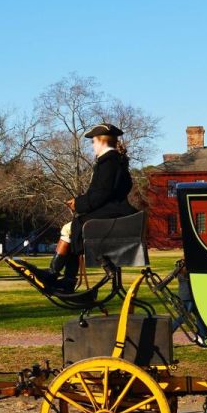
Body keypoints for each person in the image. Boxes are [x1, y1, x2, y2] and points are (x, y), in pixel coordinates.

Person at [44, 123, 136, 291]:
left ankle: (55, 275)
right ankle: (66, 279)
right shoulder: (117, 161)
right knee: (72, 229)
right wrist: (79, 203)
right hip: (116, 212)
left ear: (101, 141)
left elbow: (101, 193)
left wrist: (78, 203)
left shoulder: (108, 162)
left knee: (69, 230)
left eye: (93, 141)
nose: (93, 145)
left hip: (112, 216)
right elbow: (114, 190)